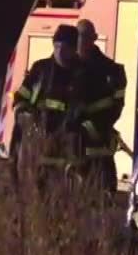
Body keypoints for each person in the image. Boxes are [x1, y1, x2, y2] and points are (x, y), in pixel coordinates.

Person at [12, 24, 85, 187]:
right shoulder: (41, 70)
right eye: (56, 45)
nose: (59, 51)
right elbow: (21, 97)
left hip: (68, 146)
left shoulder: (82, 74)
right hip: (38, 142)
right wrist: (24, 114)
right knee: (32, 188)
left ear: (74, 49)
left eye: (64, 47)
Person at [75, 19, 128, 194]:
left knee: (101, 193)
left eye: (85, 36)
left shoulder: (111, 71)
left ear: (94, 38)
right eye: (78, 36)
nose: (81, 41)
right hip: (69, 145)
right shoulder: (64, 68)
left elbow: (115, 106)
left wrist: (90, 126)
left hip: (98, 142)